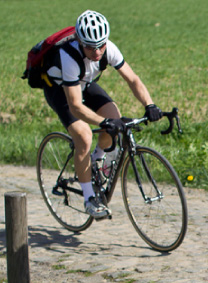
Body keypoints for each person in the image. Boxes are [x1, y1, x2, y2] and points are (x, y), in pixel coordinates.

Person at [42, 10, 163, 219]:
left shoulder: (107, 48)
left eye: (101, 45)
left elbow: (132, 79)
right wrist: (104, 122)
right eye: (90, 47)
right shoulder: (68, 56)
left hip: (85, 83)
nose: (97, 52)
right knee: (84, 136)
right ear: (79, 41)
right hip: (60, 89)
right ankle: (89, 198)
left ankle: (97, 160)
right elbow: (75, 105)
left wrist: (149, 104)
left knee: (115, 118)